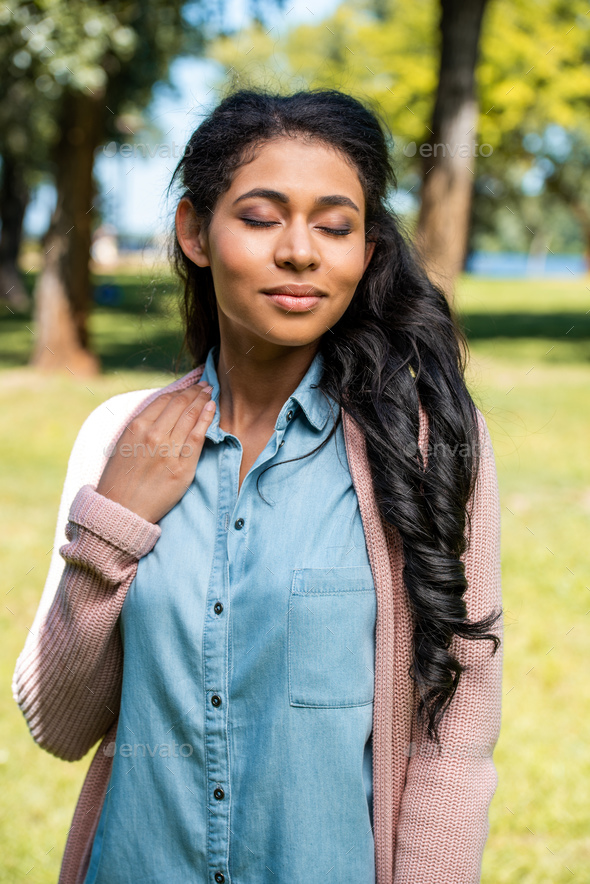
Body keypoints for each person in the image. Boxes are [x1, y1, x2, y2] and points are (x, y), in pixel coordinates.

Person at [13, 88, 503, 884]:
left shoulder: (426, 443)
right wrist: (111, 528)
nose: (301, 251)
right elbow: (62, 725)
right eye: (261, 217)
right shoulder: (117, 436)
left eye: (335, 226)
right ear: (193, 231)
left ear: (368, 251)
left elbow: (455, 733)